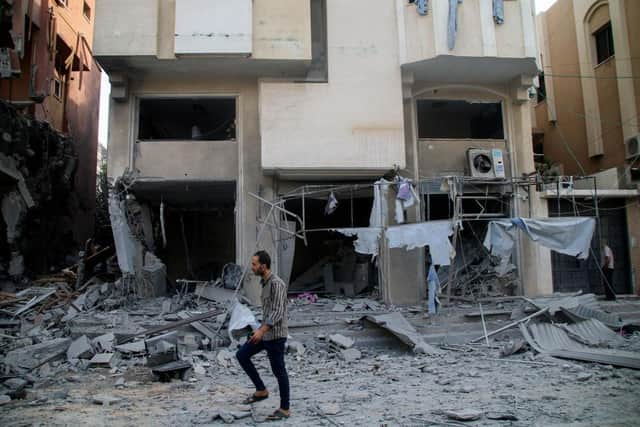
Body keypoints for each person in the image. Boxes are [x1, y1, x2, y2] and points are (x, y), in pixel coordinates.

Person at [236, 250, 291, 421]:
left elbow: (277, 311)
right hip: (265, 333)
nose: (252, 267)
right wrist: (259, 329)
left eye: (254, 264)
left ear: (263, 266)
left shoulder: (277, 284)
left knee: (279, 371)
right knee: (242, 355)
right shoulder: (265, 282)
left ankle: (284, 408)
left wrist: (261, 330)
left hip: (275, 335)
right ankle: (261, 390)